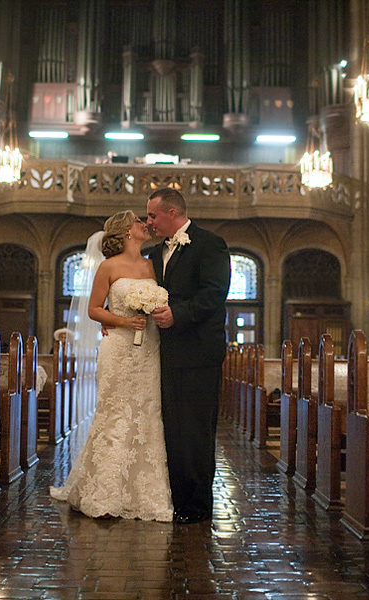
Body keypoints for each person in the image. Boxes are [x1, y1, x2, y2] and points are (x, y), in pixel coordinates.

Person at [50, 210, 173, 522]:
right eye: (138, 222)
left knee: (147, 411)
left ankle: (145, 492)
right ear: (126, 232)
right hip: (118, 346)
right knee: (114, 410)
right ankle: (104, 490)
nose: (145, 224)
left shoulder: (152, 264)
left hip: (148, 348)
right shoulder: (108, 266)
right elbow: (93, 310)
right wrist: (122, 320)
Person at [146, 188, 231, 524]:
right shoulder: (155, 252)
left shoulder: (210, 243)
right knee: (172, 429)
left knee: (195, 430)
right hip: (165, 353)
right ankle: (175, 499)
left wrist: (177, 315)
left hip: (199, 351)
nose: (149, 222)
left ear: (172, 213)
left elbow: (214, 293)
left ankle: (197, 507)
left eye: (153, 215)